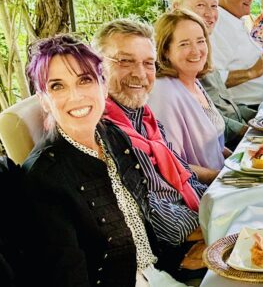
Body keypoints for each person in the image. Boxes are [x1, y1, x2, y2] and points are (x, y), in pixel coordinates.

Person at [22, 35, 181, 286]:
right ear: (43, 100)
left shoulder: (112, 135)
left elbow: (143, 217)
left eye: (84, 80)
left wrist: (180, 260)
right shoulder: (43, 176)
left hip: (157, 274)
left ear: (103, 85)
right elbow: (68, 276)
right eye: (57, 86)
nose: (75, 97)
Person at [92, 18, 209, 275]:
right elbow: (154, 217)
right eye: (124, 61)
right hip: (171, 257)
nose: (140, 74)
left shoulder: (143, 116)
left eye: (148, 63)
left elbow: (185, 177)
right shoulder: (103, 131)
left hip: (196, 224)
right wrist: (218, 227)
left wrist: (219, 205)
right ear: (96, 67)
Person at [171, 0, 255, 149]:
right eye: (200, 5)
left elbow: (226, 103)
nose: (210, 14)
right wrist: (249, 132)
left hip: (233, 137)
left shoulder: (205, 44)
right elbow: (204, 120)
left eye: (214, 6)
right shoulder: (181, 55)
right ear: (177, 8)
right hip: (225, 143)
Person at [148, 10, 231, 184]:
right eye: (184, 44)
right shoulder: (164, 92)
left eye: (200, 41)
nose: (196, 51)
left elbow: (214, 144)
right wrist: (223, 178)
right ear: (165, 51)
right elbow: (172, 163)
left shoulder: (192, 81)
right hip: (201, 192)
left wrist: (241, 161)